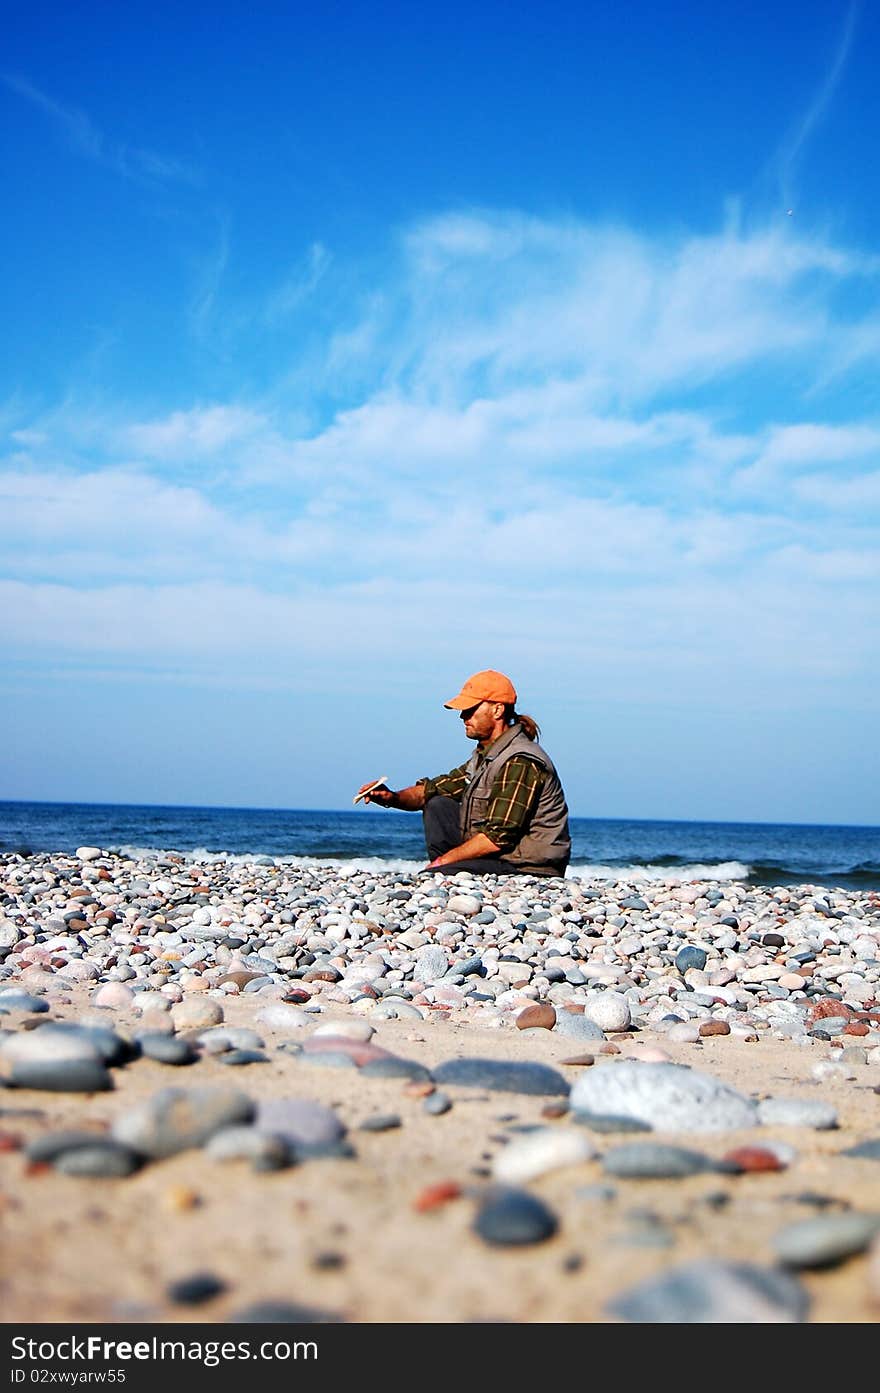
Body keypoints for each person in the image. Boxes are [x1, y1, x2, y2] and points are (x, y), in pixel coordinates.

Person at [357, 669, 571, 876]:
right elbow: (432, 790)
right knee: (437, 803)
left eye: (470, 710)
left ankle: (443, 873)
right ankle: (445, 874)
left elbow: (498, 837)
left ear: (497, 710)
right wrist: (391, 797)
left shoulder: (520, 760)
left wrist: (442, 863)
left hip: (528, 868)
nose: (463, 716)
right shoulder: (486, 757)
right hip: (500, 861)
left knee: (438, 872)